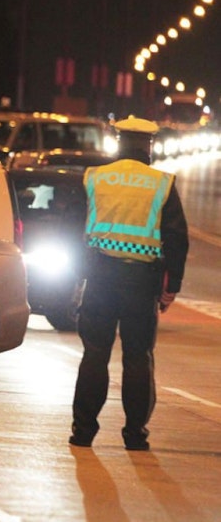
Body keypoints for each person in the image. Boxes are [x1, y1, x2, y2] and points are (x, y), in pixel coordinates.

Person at [70, 116, 189, 451]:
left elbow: (75, 230)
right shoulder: (161, 183)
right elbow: (176, 240)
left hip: (100, 279)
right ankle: (134, 435)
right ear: (148, 146)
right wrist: (171, 286)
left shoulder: (96, 178)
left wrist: (79, 275)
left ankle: (82, 431)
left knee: (94, 354)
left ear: (118, 143)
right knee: (138, 357)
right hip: (141, 282)